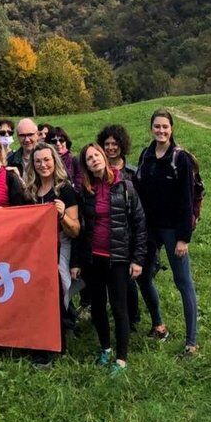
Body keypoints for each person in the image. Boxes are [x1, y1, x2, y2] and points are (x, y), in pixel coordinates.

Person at [72, 143, 146, 375]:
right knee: (98, 308)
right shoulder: (85, 191)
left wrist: (138, 259)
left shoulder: (125, 185)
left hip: (119, 258)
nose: (94, 160)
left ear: (103, 156)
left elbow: (139, 223)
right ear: (85, 165)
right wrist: (76, 261)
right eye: (88, 158)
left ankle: (122, 358)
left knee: (119, 307)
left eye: (96, 155)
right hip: (94, 258)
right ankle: (105, 348)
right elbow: (80, 229)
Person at [133, 109, 200, 358]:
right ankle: (159, 325)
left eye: (165, 127)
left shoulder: (180, 158)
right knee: (142, 275)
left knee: (183, 282)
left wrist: (184, 237)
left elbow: (186, 198)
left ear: (172, 129)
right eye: (157, 126)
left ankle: (191, 342)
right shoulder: (146, 155)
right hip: (150, 229)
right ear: (151, 128)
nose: (161, 131)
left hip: (173, 230)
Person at [23, 143, 81, 365]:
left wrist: (62, 215)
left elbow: (75, 229)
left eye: (46, 160)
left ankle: (53, 347)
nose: (42, 165)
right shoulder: (29, 191)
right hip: (35, 252)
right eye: (38, 161)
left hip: (57, 250)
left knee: (53, 298)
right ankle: (37, 342)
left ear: (54, 161)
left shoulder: (64, 190)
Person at [97, 124, 141, 329]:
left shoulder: (131, 173)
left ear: (122, 145)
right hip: (108, 237)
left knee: (129, 281)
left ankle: (133, 317)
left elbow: (140, 207)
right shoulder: (97, 172)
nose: (111, 148)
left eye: (115, 143)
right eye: (106, 144)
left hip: (128, 233)